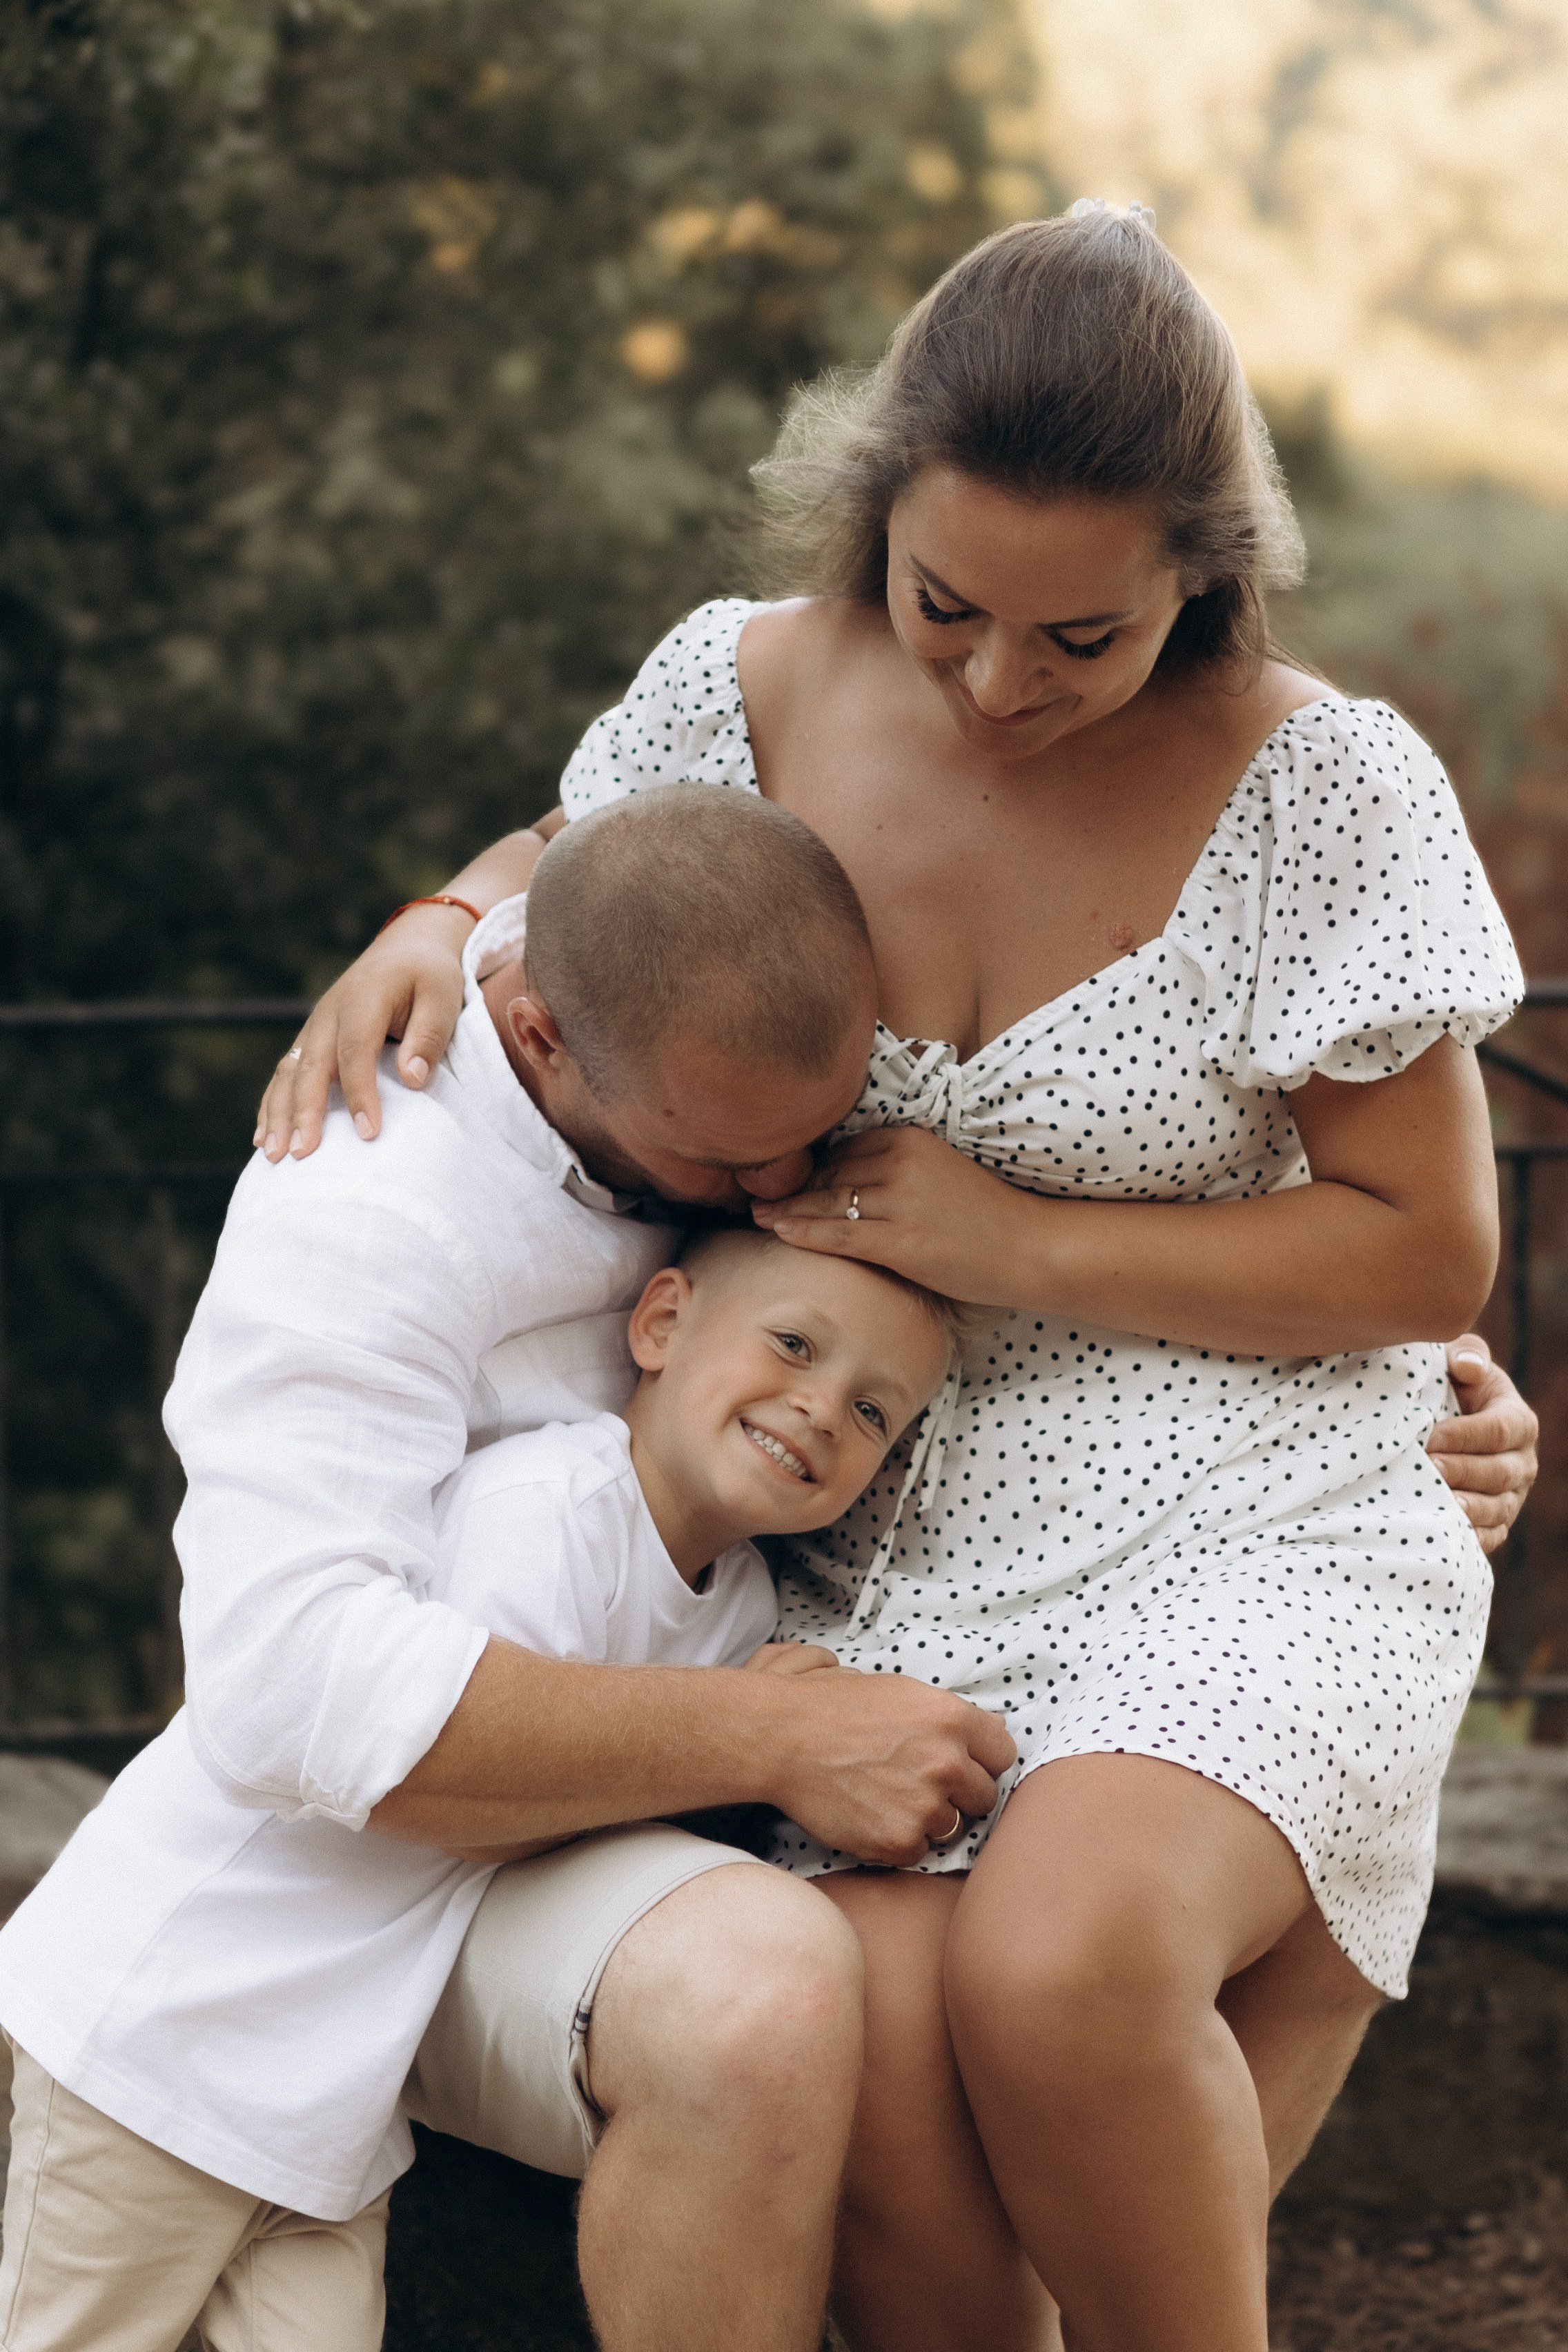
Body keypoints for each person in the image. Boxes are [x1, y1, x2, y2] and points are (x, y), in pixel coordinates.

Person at [260, 202, 1542, 2352]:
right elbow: (584, 892)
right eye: (947, 607)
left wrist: (1012, 1239)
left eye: (1084, 639)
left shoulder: (1326, 785)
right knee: (879, 2075)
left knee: (1064, 1965)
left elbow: (1429, 1244)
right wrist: (433, 916)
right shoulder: (735, 684)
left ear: (1201, 580)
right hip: (883, 1531)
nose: (995, 682)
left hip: (1260, 1513)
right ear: (877, 509)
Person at [8, 785, 1011, 2352]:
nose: (779, 1195)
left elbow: (611, 794)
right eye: (725, 1157)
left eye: (806, 1134)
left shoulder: (700, 1031)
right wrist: (777, 1735)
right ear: (541, 1039)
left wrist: (1419, 1379)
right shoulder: (361, 1208)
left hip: (343, 2055)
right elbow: (293, 1701)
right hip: (206, 1992)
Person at [0, 1226, 959, 2352]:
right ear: (659, 1324)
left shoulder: (739, 1604)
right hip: (170, 2031)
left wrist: (749, 1723)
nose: (820, 1409)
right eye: (794, 1346)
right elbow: (466, 1796)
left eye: (872, 1414)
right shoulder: (552, 1509)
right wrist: (758, 1731)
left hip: (331, 2103)